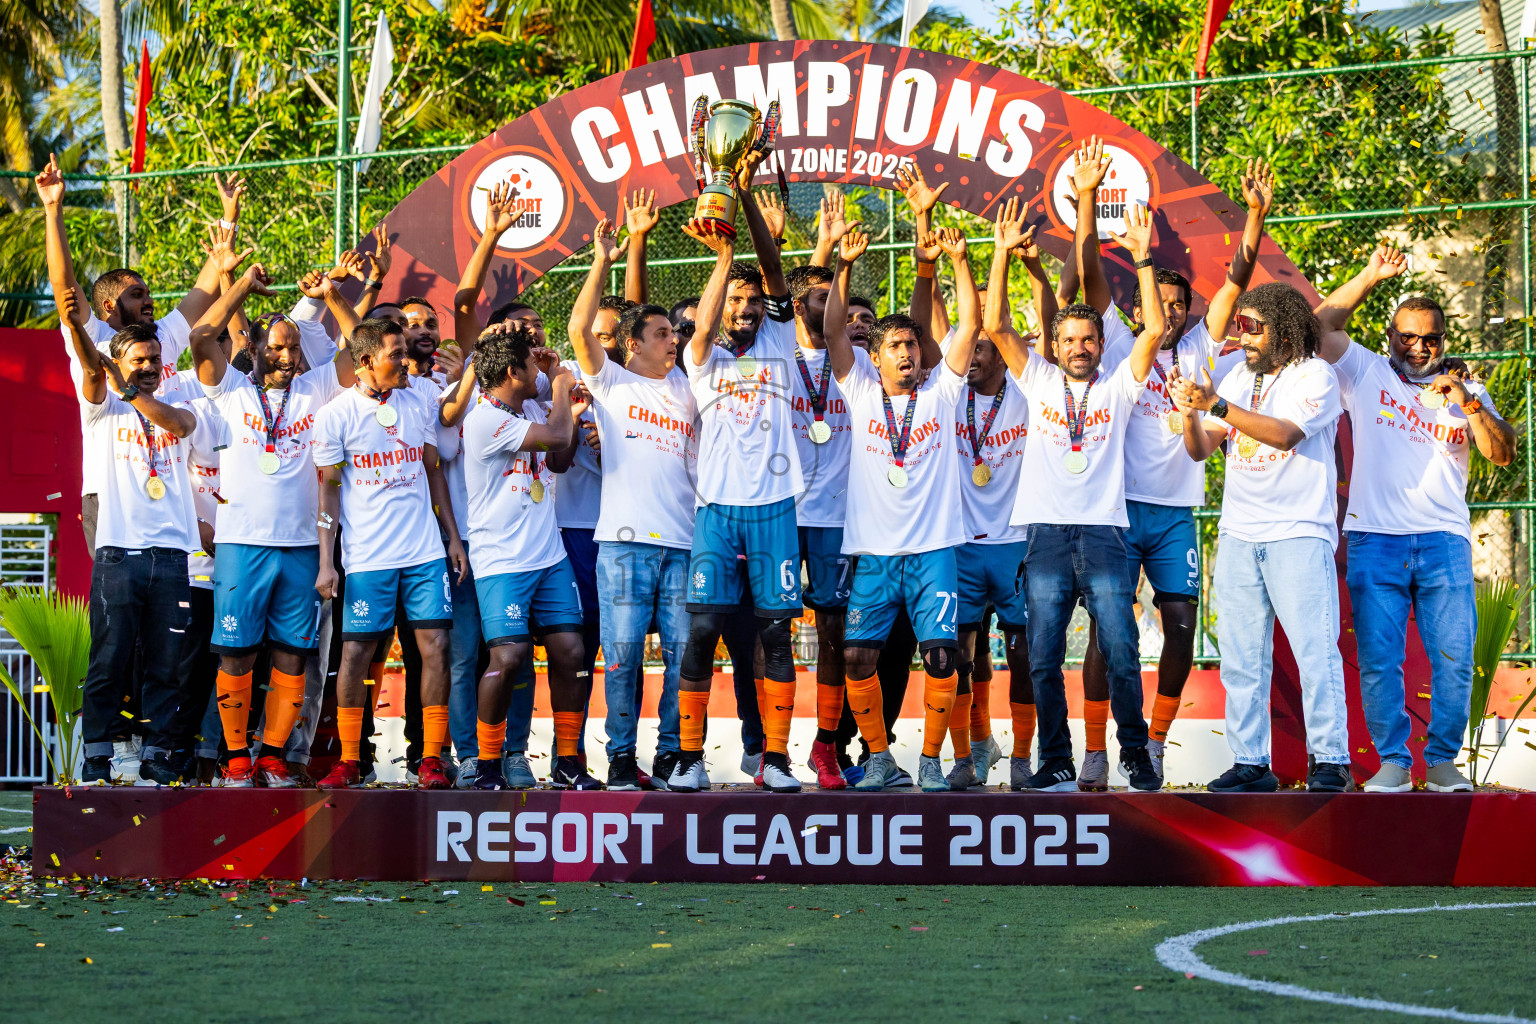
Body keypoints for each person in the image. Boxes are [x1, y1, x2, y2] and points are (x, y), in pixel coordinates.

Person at [1075, 144, 1276, 782]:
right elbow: (1086, 277)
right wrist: (1086, 199)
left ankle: (1156, 741)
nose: (1169, 312)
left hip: (1175, 513)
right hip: (1116, 509)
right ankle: (1098, 749)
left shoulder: (1201, 348)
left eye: (1178, 302)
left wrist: (1253, 218)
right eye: (1155, 301)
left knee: (1182, 625)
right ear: (1137, 308)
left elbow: (1239, 278)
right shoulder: (1114, 345)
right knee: (1110, 634)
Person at [1312, 246, 1516, 793]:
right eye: (1407, 336)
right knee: (1380, 661)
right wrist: (1371, 273)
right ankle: (1395, 764)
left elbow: (1503, 453)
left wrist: (1469, 404)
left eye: (1430, 339)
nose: (1418, 347)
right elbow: (1321, 326)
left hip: (1444, 541)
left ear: (1443, 342)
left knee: (1453, 658)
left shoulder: (1466, 392)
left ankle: (1444, 760)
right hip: (1375, 539)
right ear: (1390, 338)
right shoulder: (1366, 372)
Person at [985, 197, 1166, 793]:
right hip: (1045, 536)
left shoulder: (1117, 386)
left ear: (1098, 344)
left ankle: (1136, 754)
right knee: (1041, 657)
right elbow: (994, 328)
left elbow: (1157, 329)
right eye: (1069, 339)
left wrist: (1141, 258)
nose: (1081, 347)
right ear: (1054, 344)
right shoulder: (1036, 379)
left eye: (1089, 338)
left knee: (1119, 648)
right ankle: (1057, 760)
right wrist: (1002, 255)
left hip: (1106, 535)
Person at [1167, 282, 1352, 793]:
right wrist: (1190, 413)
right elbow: (1202, 450)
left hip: (1298, 532)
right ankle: (1251, 762)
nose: (1240, 336)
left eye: (1252, 326)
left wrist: (1217, 405)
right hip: (1239, 532)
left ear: (1283, 328)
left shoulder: (1316, 374)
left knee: (1315, 650)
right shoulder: (1235, 373)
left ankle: (1331, 760)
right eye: (1238, 326)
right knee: (1242, 655)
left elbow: (1287, 434)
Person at [190, 251, 357, 787]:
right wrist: (240, 286)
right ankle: (236, 757)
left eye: (294, 346)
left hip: (304, 548)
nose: (288, 356)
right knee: (236, 652)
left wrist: (332, 295)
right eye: (277, 347)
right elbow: (199, 339)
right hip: (241, 543)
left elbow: (362, 346)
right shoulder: (232, 393)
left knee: (293, 656)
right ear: (255, 351)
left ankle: (273, 755)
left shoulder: (317, 390)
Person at [670, 168, 807, 795]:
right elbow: (698, 328)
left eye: (753, 304)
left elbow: (777, 274)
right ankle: (689, 758)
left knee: (778, 633)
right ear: (719, 309)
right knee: (702, 631)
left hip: (776, 508)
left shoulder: (779, 341)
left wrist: (746, 195)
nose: (747, 310)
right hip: (717, 513)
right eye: (735, 303)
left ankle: (774, 758)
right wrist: (724, 257)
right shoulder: (703, 360)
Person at [825, 225, 976, 792]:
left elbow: (968, 327)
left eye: (913, 346)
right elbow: (833, 328)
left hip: (934, 550)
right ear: (877, 358)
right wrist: (842, 266)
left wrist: (958, 262)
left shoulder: (942, 393)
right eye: (897, 348)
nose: (909, 355)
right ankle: (882, 757)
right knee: (859, 658)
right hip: (875, 555)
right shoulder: (859, 393)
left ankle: (932, 760)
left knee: (942, 658)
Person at [570, 218, 699, 790]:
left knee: (683, 659)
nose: (675, 340)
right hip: (623, 545)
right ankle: (622, 758)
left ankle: (672, 755)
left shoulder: (691, 386)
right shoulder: (614, 383)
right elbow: (579, 327)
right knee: (622, 659)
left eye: (676, 334)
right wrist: (602, 259)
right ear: (633, 344)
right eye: (664, 334)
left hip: (684, 543)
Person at [311, 318, 467, 789]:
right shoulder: (334, 416)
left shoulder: (418, 396)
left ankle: (433, 760)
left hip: (423, 554)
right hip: (368, 559)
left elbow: (434, 469)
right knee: (357, 652)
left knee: (436, 647)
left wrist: (451, 537)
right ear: (365, 362)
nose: (406, 361)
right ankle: (350, 761)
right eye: (396, 354)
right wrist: (326, 560)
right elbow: (329, 495)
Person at [63, 283, 208, 786]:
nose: (148, 365)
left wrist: (135, 390)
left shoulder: (174, 404)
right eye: (138, 359)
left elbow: (181, 424)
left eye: (154, 358)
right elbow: (88, 363)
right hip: (119, 555)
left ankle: (159, 758)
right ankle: (98, 760)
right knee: (109, 661)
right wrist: (82, 334)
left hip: (172, 558)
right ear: (116, 362)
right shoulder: (102, 406)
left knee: (167, 668)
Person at [460, 323, 601, 791]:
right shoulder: (484, 417)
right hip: (501, 559)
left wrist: (571, 412)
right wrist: (561, 384)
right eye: (529, 365)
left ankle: (567, 762)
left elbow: (559, 459)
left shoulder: (530, 409)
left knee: (571, 651)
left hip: (548, 555)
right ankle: (484, 763)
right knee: (509, 655)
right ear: (509, 371)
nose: (538, 370)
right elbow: (557, 438)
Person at [784, 256, 858, 790]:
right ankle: (769, 749)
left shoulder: (856, 363)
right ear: (795, 306)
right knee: (770, 630)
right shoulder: (775, 357)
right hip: (779, 512)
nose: (831, 306)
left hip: (836, 516)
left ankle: (826, 746)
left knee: (834, 633)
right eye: (819, 297)